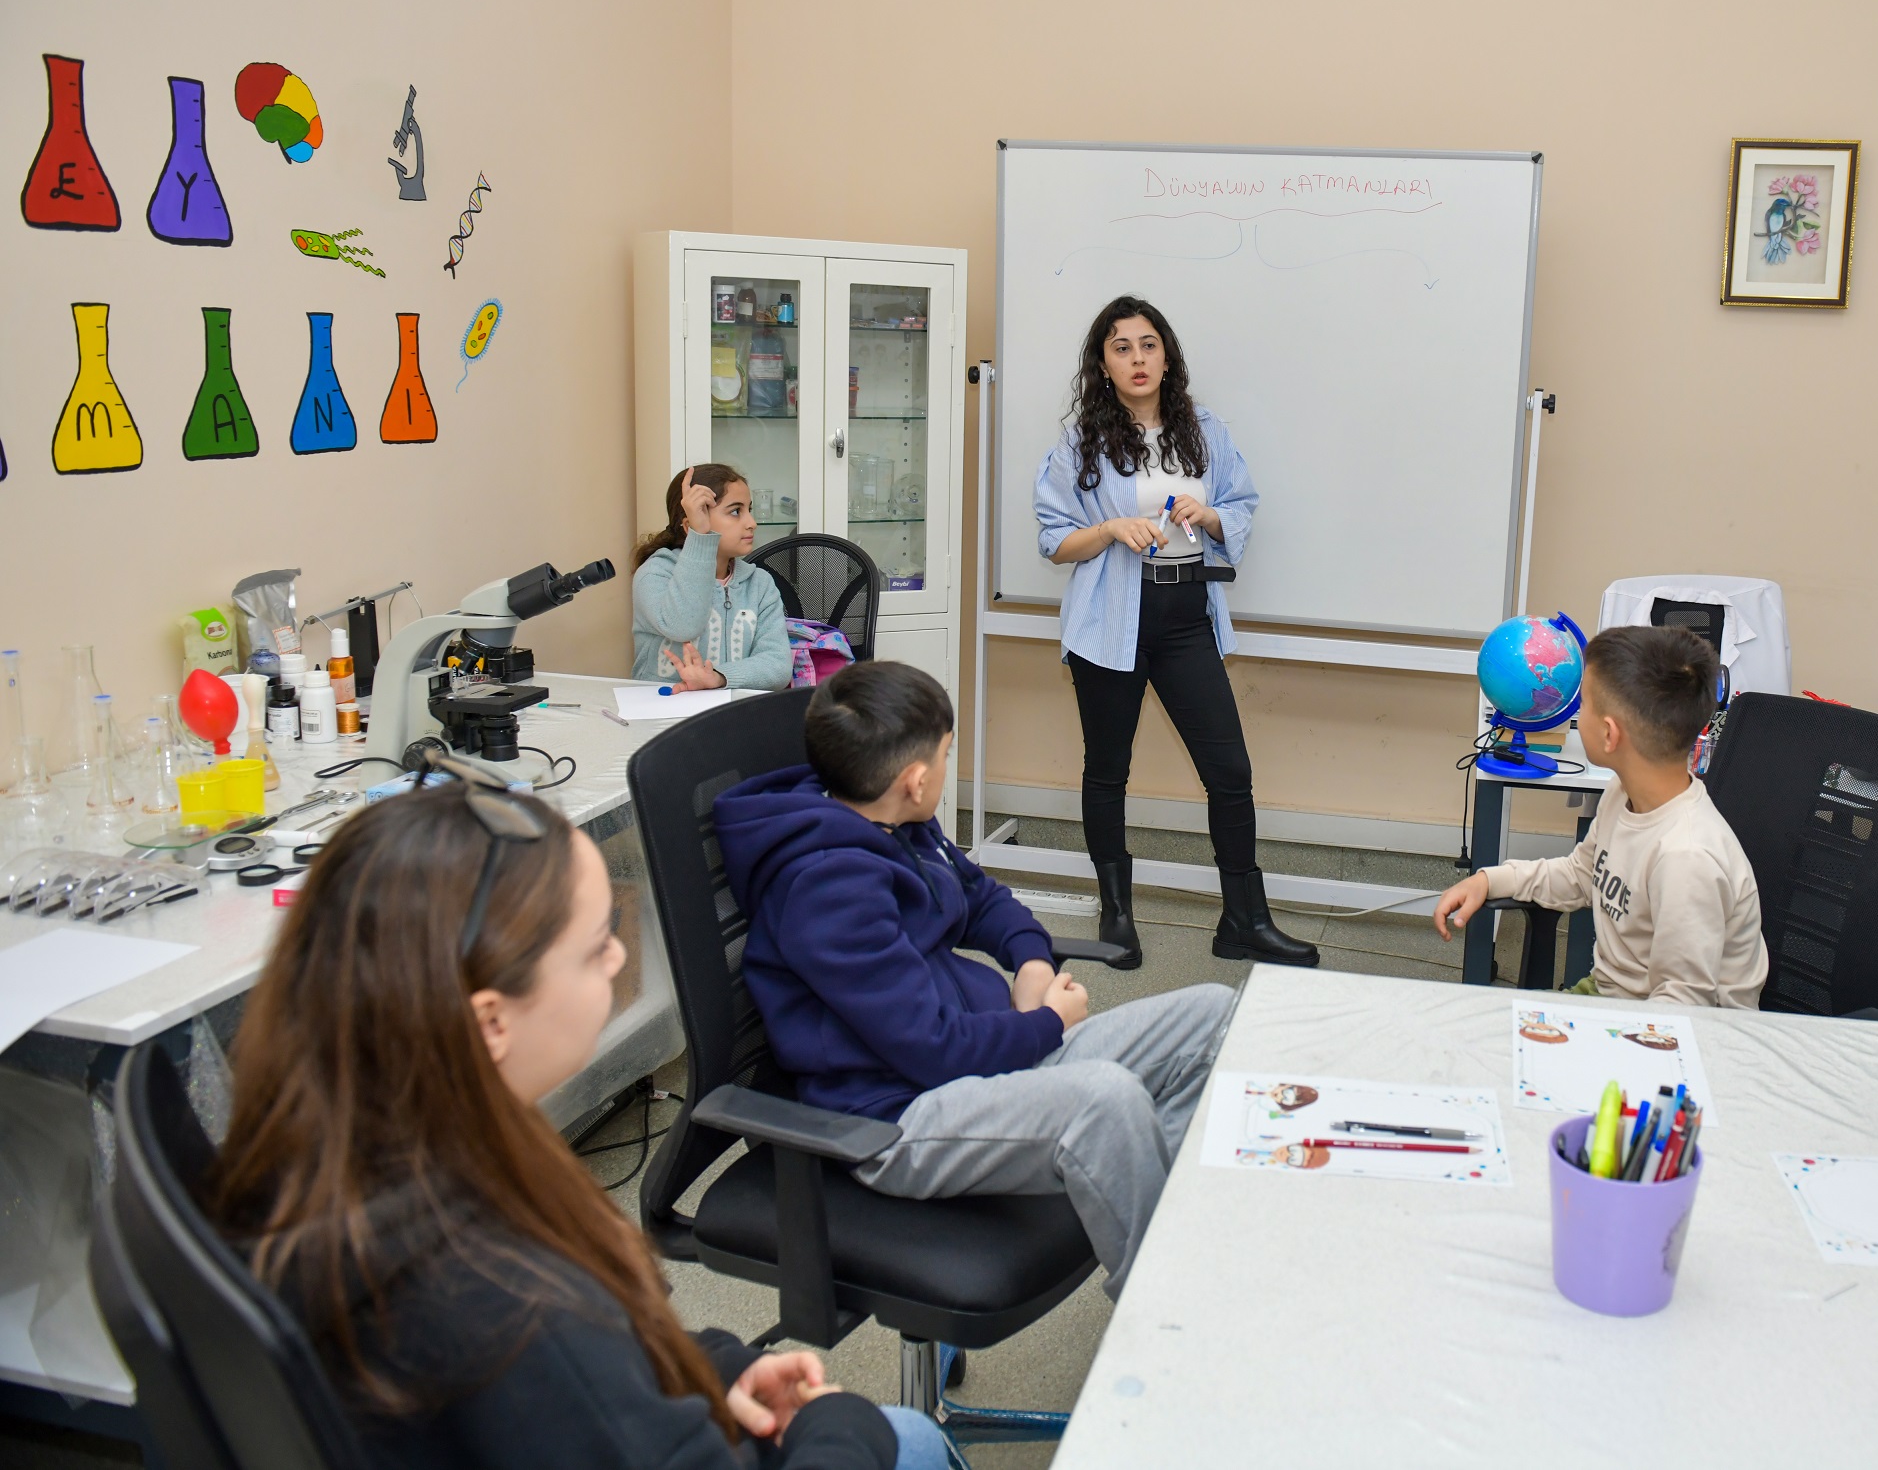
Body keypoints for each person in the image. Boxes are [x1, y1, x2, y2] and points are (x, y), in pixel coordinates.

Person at [208, 777, 945, 1469]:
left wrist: (717, 1368)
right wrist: (838, 1423)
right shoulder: (518, 1313)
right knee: (906, 1436)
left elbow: (598, 1380)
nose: (621, 955)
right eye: (597, 945)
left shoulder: (333, 1152)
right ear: (490, 1023)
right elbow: (580, 1377)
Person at [712, 659, 1236, 1297]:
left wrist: (1031, 961)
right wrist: (1047, 1024)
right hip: (896, 1120)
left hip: (980, 1059)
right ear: (915, 781)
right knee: (1107, 1100)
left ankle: (1154, 1224)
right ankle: (1164, 1309)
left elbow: (980, 899)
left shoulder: (897, 822)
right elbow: (933, 1049)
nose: (946, 764)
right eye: (946, 754)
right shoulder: (827, 890)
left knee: (1217, 1018)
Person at [1032, 294, 1314, 970]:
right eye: (1121, 347)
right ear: (1102, 364)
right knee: (1107, 771)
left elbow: (1240, 505)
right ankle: (1116, 917)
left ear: (1167, 356)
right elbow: (1054, 540)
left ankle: (1244, 920)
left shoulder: (1204, 430)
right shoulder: (1080, 441)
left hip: (1186, 616)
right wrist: (1109, 529)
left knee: (1230, 773)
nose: (1137, 358)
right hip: (1110, 622)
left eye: (1148, 344)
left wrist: (1208, 515)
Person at [1431, 625, 1766, 1005]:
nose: (1577, 711)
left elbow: (1682, 1008)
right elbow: (1581, 875)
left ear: (1609, 735)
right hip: (1613, 996)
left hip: (1673, 1026)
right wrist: (1491, 880)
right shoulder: (1624, 791)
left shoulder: (1686, 859)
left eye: (1584, 704)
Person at [633, 462, 791, 690]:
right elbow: (682, 627)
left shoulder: (760, 584)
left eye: (749, 510)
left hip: (730, 707)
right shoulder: (655, 574)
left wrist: (718, 678)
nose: (752, 523)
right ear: (690, 525)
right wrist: (700, 537)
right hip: (661, 705)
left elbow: (777, 665)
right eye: (735, 511)